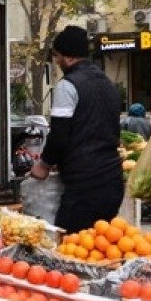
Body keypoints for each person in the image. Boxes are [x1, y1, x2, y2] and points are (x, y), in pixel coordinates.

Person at [30, 25, 123, 233]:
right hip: (112, 180)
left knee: (70, 245)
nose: (57, 62)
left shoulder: (68, 86)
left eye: (57, 56)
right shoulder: (107, 84)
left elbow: (60, 134)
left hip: (84, 185)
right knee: (101, 247)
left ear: (69, 57)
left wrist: (44, 164)